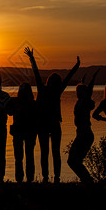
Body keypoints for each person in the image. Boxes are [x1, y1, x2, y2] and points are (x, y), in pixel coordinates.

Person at [24, 47, 80, 183]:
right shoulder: (57, 90)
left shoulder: (43, 89)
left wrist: (32, 59)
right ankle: (56, 178)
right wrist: (76, 66)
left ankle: (45, 178)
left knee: (45, 152)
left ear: (49, 81)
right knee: (55, 152)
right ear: (57, 82)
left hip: (44, 124)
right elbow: (68, 78)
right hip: (52, 124)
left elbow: (36, 74)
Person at [67, 69, 100, 184]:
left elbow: (89, 91)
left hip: (85, 135)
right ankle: (86, 180)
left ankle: (87, 180)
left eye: (79, 90)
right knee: (74, 160)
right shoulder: (80, 100)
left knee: (73, 160)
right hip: (82, 134)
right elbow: (87, 90)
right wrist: (83, 81)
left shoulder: (85, 101)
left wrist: (92, 79)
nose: (77, 92)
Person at [7, 83, 38, 183]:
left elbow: (9, 112)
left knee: (23, 157)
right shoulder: (31, 103)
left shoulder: (19, 102)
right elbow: (9, 111)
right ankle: (26, 179)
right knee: (25, 157)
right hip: (23, 132)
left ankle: (24, 179)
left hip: (23, 132)